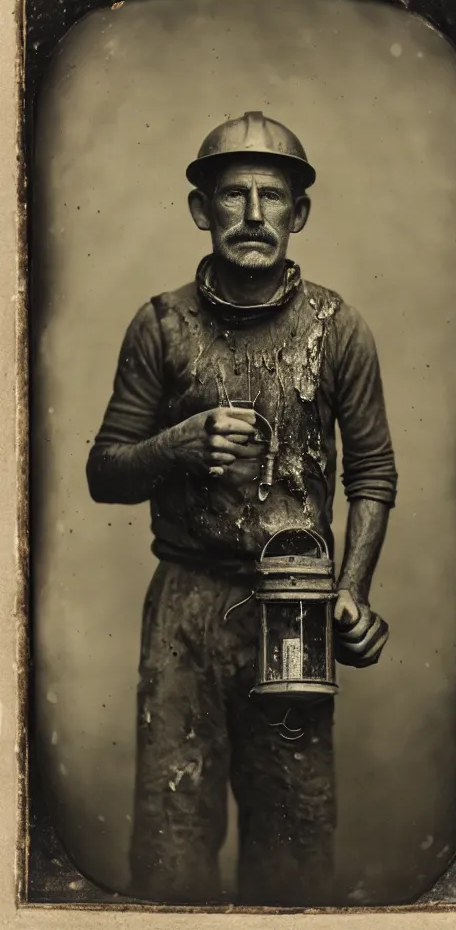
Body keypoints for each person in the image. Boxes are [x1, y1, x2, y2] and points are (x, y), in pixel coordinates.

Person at [86, 111, 398, 907]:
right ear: (202, 210)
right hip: (185, 613)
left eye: (273, 196)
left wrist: (351, 590)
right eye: (233, 195)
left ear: (300, 213)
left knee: (294, 835)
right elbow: (105, 472)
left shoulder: (337, 329)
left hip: (291, 615)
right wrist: (178, 444)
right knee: (172, 830)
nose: (254, 216)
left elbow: (373, 471)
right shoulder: (161, 324)